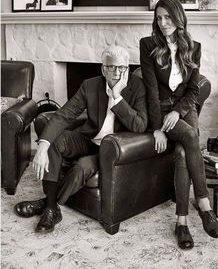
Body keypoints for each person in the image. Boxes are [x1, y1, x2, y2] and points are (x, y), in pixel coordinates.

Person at [14, 46, 147, 233]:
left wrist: (117, 97)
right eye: (112, 67)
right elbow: (64, 115)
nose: (118, 72)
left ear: (128, 69)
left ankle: (48, 204)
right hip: (89, 139)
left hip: (111, 150)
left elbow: (140, 125)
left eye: (123, 68)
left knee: (81, 168)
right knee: (55, 140)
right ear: (103, 69)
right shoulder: (90, 85)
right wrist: (43, 146)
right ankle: (52, 208)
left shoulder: (137, 87)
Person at [139, 0, 218, 250]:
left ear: (178, 18)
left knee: (182, 152)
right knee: (190, 137)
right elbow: (151, 91)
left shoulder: (194, 47)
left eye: (167, 17)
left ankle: (182, 222)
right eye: (158, 18)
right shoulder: (148, 45)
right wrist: (156, 126)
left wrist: (178, 112)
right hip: (161, 109)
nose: (163, 23)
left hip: (184, 109)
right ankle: (204, 205)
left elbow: (193, 89)